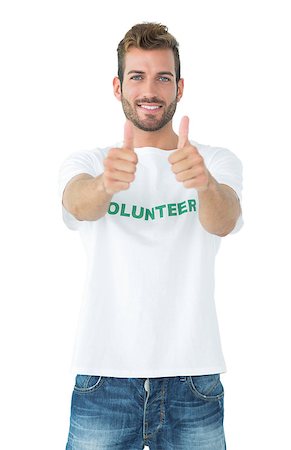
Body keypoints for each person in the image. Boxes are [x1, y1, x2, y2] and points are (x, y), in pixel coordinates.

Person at [59, 22, 243, 450]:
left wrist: (204, 185)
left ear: (179, 88)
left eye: (163, 77)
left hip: (193, 380)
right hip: (103, 377)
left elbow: (225, 220)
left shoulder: (213, 161)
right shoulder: (90, 161)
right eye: (137, 76)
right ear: (117, 86)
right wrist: (105, 184)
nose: (149, 90)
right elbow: (76, 203)